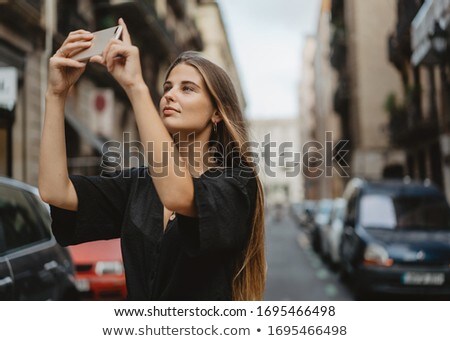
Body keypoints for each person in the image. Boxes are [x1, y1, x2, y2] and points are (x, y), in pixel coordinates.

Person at [39, 18, 266, 300]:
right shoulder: (141, 183)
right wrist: (56, 94)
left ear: (216, 113)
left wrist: (136, 87)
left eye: (187, 89)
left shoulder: (237, 182)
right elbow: (54, 191)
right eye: (167, 87)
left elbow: (178, 195)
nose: (169, 95)